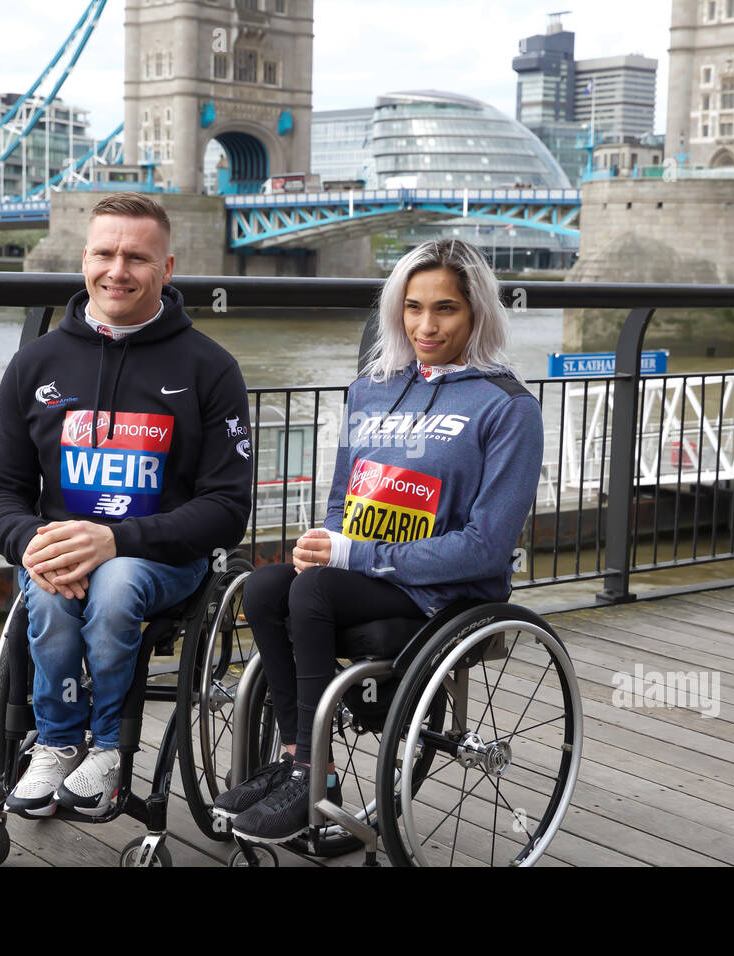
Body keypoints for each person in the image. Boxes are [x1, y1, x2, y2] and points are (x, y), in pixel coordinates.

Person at [213, 238, 544, 844]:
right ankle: (295, 758)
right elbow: (345, 500)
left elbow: (487, 547)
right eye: (412, 307)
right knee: (262, 587)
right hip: (361, 573)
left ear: (477, 314)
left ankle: (318, 774)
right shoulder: (370, 389)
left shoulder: (508, 407)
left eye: (445, 308)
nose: (426, 324)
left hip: (443, 593)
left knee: (311, 594)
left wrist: (352, 556)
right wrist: (326, 541)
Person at [0, 192, 253, 818]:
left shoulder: (211, 368)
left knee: (117, 585)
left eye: (137, 258)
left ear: (168, 269)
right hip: (59, 555)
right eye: (105, 253)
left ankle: (107, 747)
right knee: (46, 588)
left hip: (161, 560)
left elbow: (229, 508)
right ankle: (57, 743)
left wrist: (117, 540)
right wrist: (30, 541)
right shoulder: (35, 362)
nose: (117, 271)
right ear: (84, 258)